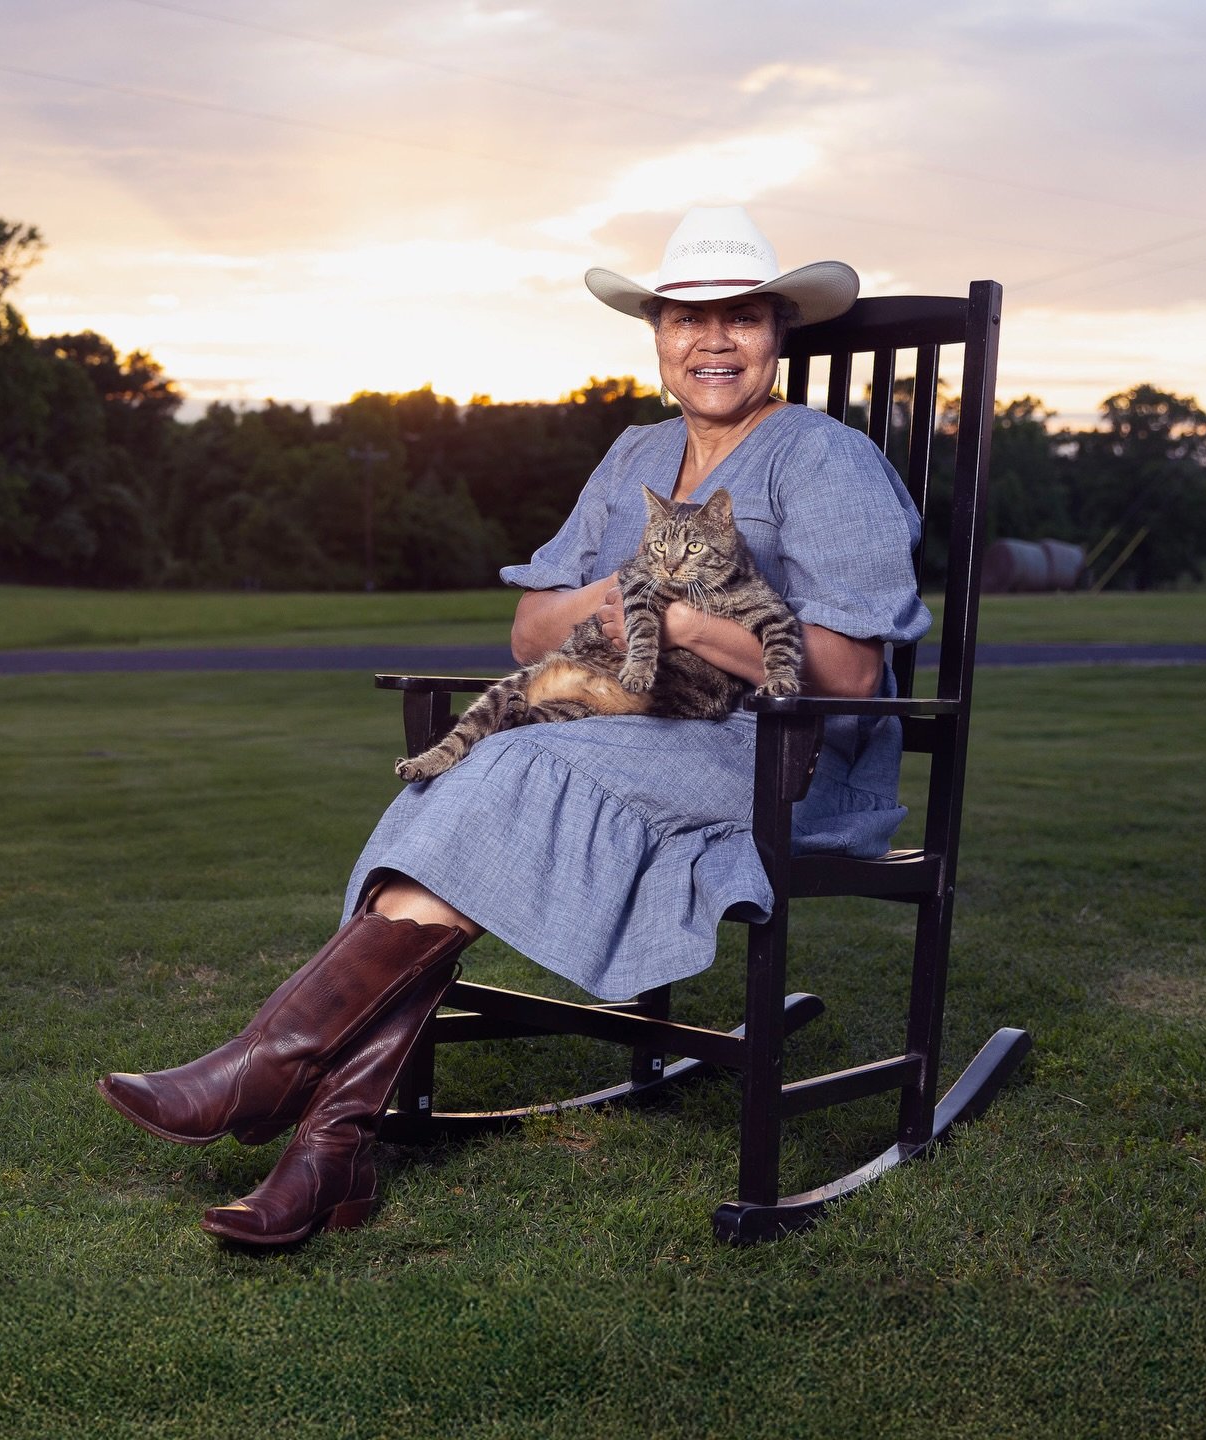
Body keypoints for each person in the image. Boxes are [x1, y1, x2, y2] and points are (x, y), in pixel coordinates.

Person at [98, 205, 930, 1246]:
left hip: (773, 755)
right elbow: (530, 622)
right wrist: (611, 601)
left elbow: (851, 671)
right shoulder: (634, 449)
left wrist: (674, 618)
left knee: (501, 772)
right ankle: (329, 1150)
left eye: (741, 318)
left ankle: (268, 1076)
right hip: (623, 727)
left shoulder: (822, 460)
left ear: (777, 332)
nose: (711, 341)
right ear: (658, 335)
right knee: (460, 783)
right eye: (684, 318)